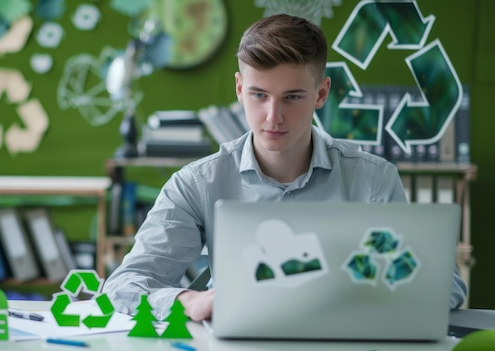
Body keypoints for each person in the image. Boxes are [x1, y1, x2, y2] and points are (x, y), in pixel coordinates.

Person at [102, 13, 467, 321]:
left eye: (292, 97)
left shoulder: (373, 179)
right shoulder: (197, 183)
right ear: (239, 88)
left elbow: (446, 287)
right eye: (259, 95)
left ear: (322, 94)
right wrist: (188, 301)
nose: (273, 117)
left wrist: (361, 300)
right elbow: (125, 284)